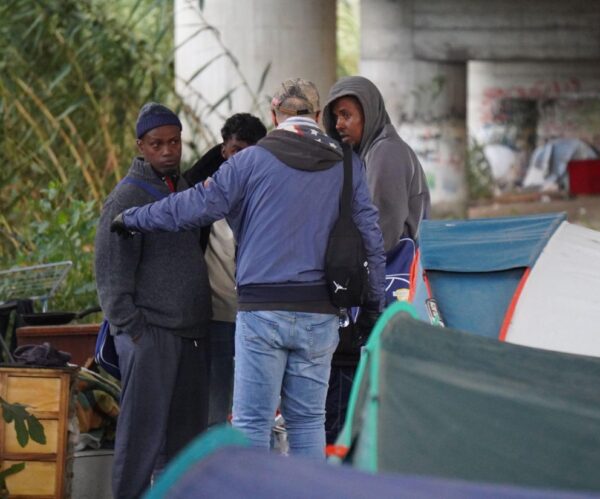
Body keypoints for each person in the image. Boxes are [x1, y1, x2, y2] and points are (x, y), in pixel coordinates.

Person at [110, 78, 385, 459]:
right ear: (318, 116)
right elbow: (371, 238)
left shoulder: (250, 161)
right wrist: (373, 305)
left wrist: (135, 218)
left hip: (262, 312)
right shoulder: (348, 165)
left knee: (252, 422)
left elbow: (194, 206)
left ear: (274, 115)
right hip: (321, 312)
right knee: (307, 422)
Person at [94, 102, 211, 499]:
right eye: (157, 144)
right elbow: (111, 274)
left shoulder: (182, 191)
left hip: (190, 333)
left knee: (185, 442)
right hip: (151, 336)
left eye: (174, 142)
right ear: (140, 146)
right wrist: (135, 331)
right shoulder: (127, 197)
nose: (167, 151)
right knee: (141, 438)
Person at [321, 75, 431, 444]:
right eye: (335, 116)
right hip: (381, 291)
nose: (339, 124)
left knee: (352, 394)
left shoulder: (385, 153)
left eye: (347, 115)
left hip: (380, 292)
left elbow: (380, 237)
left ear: (368, 113)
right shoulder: (370, 153)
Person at [183, 113, 267, 426]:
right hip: (217, 311)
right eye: (235, 150)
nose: (241, 159)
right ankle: (217, 461)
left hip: (259, 312)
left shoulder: (268, 191)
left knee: (258, 402)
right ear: (224, 150)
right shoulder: (204, 191)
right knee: (216, 398)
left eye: (249, 152)